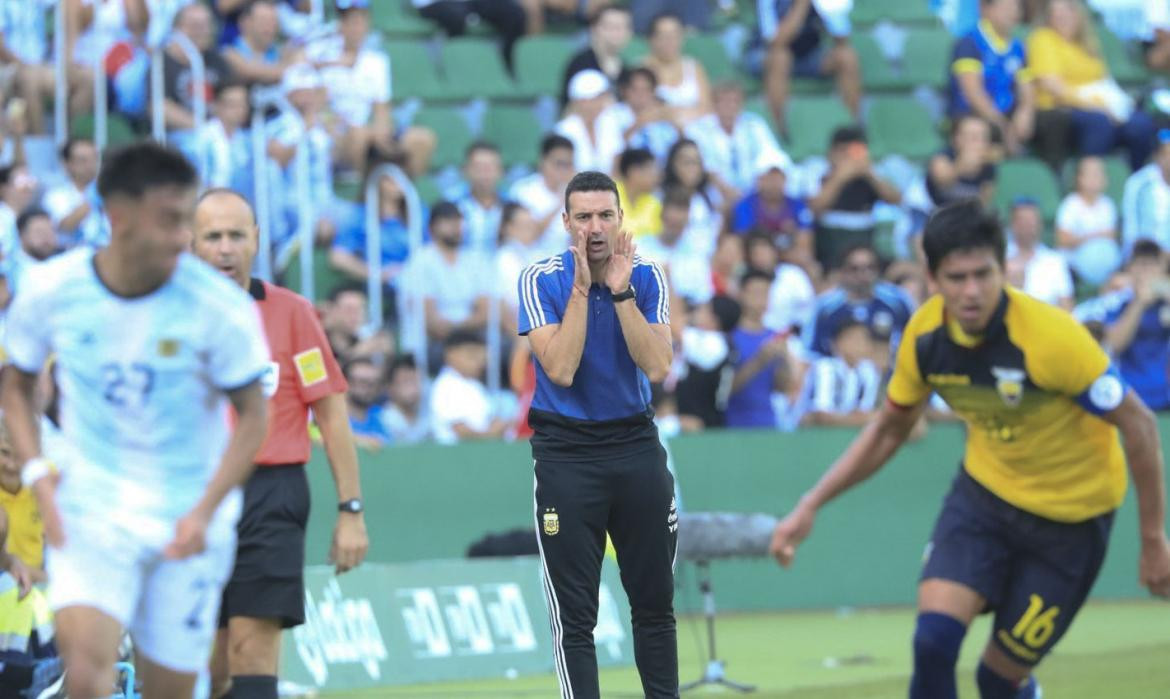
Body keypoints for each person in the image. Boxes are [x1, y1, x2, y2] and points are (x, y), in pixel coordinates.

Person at [769, 199, 1170, 699]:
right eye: (957, 278)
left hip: (1072, 522)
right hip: (985, 501)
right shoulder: (926, 337)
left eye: (984, 274)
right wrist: (810, 504)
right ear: (932, 278)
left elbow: (1139, 425)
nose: (972, 292)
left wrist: (1153, 539)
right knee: (933, 641)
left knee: (996, 681)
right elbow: (890, 429)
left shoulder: (1052, 339)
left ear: (1004, 269)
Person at [0, 142, 272, 699]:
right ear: (117, 217)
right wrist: (38, 476)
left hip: (186, 517)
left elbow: (253, 416)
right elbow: (17, 383)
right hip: (93, 509)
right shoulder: (54, 290)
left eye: (187, 220)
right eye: (171, 221)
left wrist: (205, 509)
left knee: (170, 688)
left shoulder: (220, 309)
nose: (184, 238)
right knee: (87, 668)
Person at [191, 188, 368, 699]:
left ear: (256, 241)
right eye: (213, 237)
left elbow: (332, 415)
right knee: (209, 664)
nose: (225, 248)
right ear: (191, 244)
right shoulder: (167, 316)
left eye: (236, 236)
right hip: (192, 495)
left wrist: (351, 508)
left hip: (271, 494)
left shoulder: (291, 314)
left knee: (251, 651)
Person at [518, 170, 677, 698]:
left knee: (654, 604)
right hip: (566, 453)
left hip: (635, 444)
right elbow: (560, 369)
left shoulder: (648, 274)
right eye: (583, 216)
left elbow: (656, 366)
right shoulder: (541, 278)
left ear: (620, 219)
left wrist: (622, 292)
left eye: (605, 215)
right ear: (566, 223)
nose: (595, 227)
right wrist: (585, 289)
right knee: (575, 617)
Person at [305, 0, 435, 176]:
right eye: (352, 21)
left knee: (422, 139)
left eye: (362, 21)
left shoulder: (377, 62)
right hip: (335, 134)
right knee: (358, 135)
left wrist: (381, 133)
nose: (357, 28)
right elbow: (318, 109)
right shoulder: (321, 56)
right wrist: (339, 128)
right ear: (340, 25)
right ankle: (361, 194)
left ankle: (400, 195)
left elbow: (382, 109)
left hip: (368, 132)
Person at [1028, 0, 1156, 171]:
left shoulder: (1087, 43)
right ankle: (1088, 183)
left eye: (1067, 13)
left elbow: (1104, 80)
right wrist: (1098, 107)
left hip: (1100, 106)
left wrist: (1119, 104)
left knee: (1141, 124)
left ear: (1078, 15)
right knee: (1098, 123)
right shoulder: (1043, 38)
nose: (1062, 18)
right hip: (1062, 108)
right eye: (1056, 14)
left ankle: (1135, 177)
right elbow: (1052, 85)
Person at [1074, 240, 1170, 411]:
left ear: (1161, 270)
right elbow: (1114, 345)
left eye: (1151, 265)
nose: (1146, 272)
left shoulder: (1165, 303)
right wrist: (1140, 303)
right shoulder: (1117, 303)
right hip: (1129, 395)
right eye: (1140, 265)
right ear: (1130, 269)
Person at [754, 0, 861, 137]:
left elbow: (842, 36)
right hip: (765, 55)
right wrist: (801, 6)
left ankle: (851, 129)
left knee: (847, 57)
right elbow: (776, 41)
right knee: (781, 58)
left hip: (808, 56)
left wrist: (829, 10)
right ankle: (779, 131)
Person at [947, 0, 1036, 158]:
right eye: (1006, 6)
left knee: (1052, 121)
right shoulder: (969, 43)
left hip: (1008, 114)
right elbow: (973, 93)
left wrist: (1025, 112)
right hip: (974, 115)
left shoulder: (1018, 47)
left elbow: (1027, 89)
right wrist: (1001, 124)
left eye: (1016, 6)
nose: (1013, 12)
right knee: (981, 131)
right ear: (985, 8)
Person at [808, 125, 901, 272]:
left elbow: (896, 199)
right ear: (832, 152)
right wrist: (840, 176)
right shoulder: (817, 172)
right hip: (831, 246)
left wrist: (869, 173)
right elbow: (815, 207)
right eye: (843, 151)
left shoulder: (870, 175)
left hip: (865, 243)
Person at [802, 244, 914, 357]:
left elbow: (914, 342)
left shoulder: (898, 301)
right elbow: (809, 352)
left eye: (869, 268)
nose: (863, 275)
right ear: (842, 272)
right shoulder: (825, 308)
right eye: (854, 269)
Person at [726, 269, 803, 429]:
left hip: (768, 423)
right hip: (733, 424)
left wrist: (783, 361)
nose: (761, 299)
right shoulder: (729, 336)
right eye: (756, 293)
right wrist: (759, 361)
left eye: (766, 293)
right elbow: (725, 389)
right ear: (741, 294)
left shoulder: (774, 336)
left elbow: (781, 387)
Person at [686, 81, 789, 199]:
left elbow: (771, 155)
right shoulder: (698, 129)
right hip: (713, 192)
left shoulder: (755, 124)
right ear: (714, 104)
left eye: (735, 101)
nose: (730, 106)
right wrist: (727, 191)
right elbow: (703, 165)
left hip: (756, 192)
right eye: (724, 101)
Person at [731, 151, 813, 269]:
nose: (774, 182)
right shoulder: (746, 205)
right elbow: (743, 243)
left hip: (789, 264)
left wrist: (777, 255)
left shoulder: (798, 207)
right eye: (769, 176)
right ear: (759, 179)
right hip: (753, 264)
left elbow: (805, 246)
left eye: (778, 176)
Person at [430, 330, 510, 444]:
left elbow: (493, 420)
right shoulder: (445, 386)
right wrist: (491, 435)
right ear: (451, 354)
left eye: (481, 357)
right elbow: (461, 431)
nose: (478, 362)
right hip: (455, 455)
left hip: (479, 451)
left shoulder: (475, 385)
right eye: (471, 355)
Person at [163, 3, 234, 132]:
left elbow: (233, 98)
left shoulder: (217, 60)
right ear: (177, 29)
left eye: (206, 26)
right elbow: (160, 108)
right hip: (178, 136)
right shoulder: (162, 61)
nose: (203, 32)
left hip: (219, 134)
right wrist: (204, 128)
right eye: (195, 26)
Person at [800, 318, 883, 427]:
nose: (860, 345)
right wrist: (860, 419)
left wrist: (863, 418)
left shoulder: (870, 372)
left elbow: (865, 413)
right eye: (854, 339)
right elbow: (821, 416)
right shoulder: (825, 368)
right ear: (837, 343)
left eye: (864, 339)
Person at [1056, 156, 1121, 286]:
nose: (1097, 178)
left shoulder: (1108, 205)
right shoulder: (1070, 204)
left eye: (1100, 173)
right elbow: (1062, 240)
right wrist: (1096, 235)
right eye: (1092, 174)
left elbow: (1112, 236)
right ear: (1080, 178)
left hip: (1107, 271)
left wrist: (1084, 238)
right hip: (1073, 271)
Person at [597, 68, 681, 167]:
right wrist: (638, 124)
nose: (640, 95)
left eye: (646, 90)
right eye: (635, 90)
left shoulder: (662, 115)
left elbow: (679, 149)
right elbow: (610, 151)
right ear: (625, 91)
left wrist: (673, 122)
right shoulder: (613, 114)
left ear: (653, 92)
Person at [412, 0, 527, 72]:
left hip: (468, 3)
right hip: (432, 3)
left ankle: (507, 66)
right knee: (456, 17)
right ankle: (448, 65)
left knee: (514, 13)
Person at [509, 134, 576, 254]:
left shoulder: (575, 193)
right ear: (542, 161)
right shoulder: (523, 191)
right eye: (559, 164)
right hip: (530, 262)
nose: (564, 170)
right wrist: (561, 202)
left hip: (565, 262)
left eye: (568, 165)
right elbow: (528, 237)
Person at [642, 12, 711, 125]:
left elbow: (707, 107)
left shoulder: (694, 67)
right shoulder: (642, 70)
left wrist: (681, 116)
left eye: (675, 35)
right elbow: (644, 111)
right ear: (651, 39)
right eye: (663, 36)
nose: (670, 41)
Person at [1004, 197, 1074, 310]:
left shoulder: (1055, 261)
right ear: (1012, 224)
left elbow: (1066, 305)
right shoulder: (999, 259)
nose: (1028, 226)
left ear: (1040, 224)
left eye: (1032, 220)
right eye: (1023, 221)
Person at [41, 137, 107, 248]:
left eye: (94, 159)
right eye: (83, 160)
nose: (90, 165)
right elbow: (66, 226)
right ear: (67, 164)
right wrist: (93, 199)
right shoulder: (55, 196)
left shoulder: (111, 192)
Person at [561, 5, 632, 107]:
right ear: (594, 29)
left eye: (622, 27)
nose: (617, 32)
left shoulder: (625, 68)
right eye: (610, 27)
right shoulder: (581, 64)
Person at [925, 115, 997, 211]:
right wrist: (960, 167)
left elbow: (983, 204)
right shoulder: (943, 157)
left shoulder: (989, 168)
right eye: (974, 137)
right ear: (956, 139)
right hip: (933, 212)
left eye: (984, 138)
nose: (980, 143)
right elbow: (941, 181)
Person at [557, 69, 621, 175]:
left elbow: (617, 164)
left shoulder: (610, 123)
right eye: (595, 99)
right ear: (580, 102)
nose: (600, 103)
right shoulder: (564, 130)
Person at [1121, 129, 1170, 252]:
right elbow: (1130, 230)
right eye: (1167, 154)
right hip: (1143, 255)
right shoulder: (1138, 183)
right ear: (1157, 156)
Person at [222, 0, 289, 87]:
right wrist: (289, 67)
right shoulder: (228, 53)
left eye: (273, 21)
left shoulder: (281, 51)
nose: (270, 27)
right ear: (244, 23)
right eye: (263, 21)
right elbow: (248, 71)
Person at [456, 141, 507, 253]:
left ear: (501, 171)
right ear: (466, 170)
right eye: (478, 167)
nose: (485, 173)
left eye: (490, 167)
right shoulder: (452, 204)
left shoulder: (511, 205)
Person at [341, 357, 394, 449]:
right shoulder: (332, 417)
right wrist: (361, 440)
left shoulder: (384, 416)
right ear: (345, 382)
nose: (369, 388)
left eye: (374, 383)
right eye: (362, 382)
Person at [381, 355, 431, 444]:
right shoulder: (382, 420)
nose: (412, 388)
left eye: (415, 381)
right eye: (406, 382)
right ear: (390, 388)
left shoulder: (429, 418)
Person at [615, 147, 662, 238]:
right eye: (651, 171)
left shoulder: (655, 203)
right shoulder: (609, 194)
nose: (656, 177)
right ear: (634, 171)